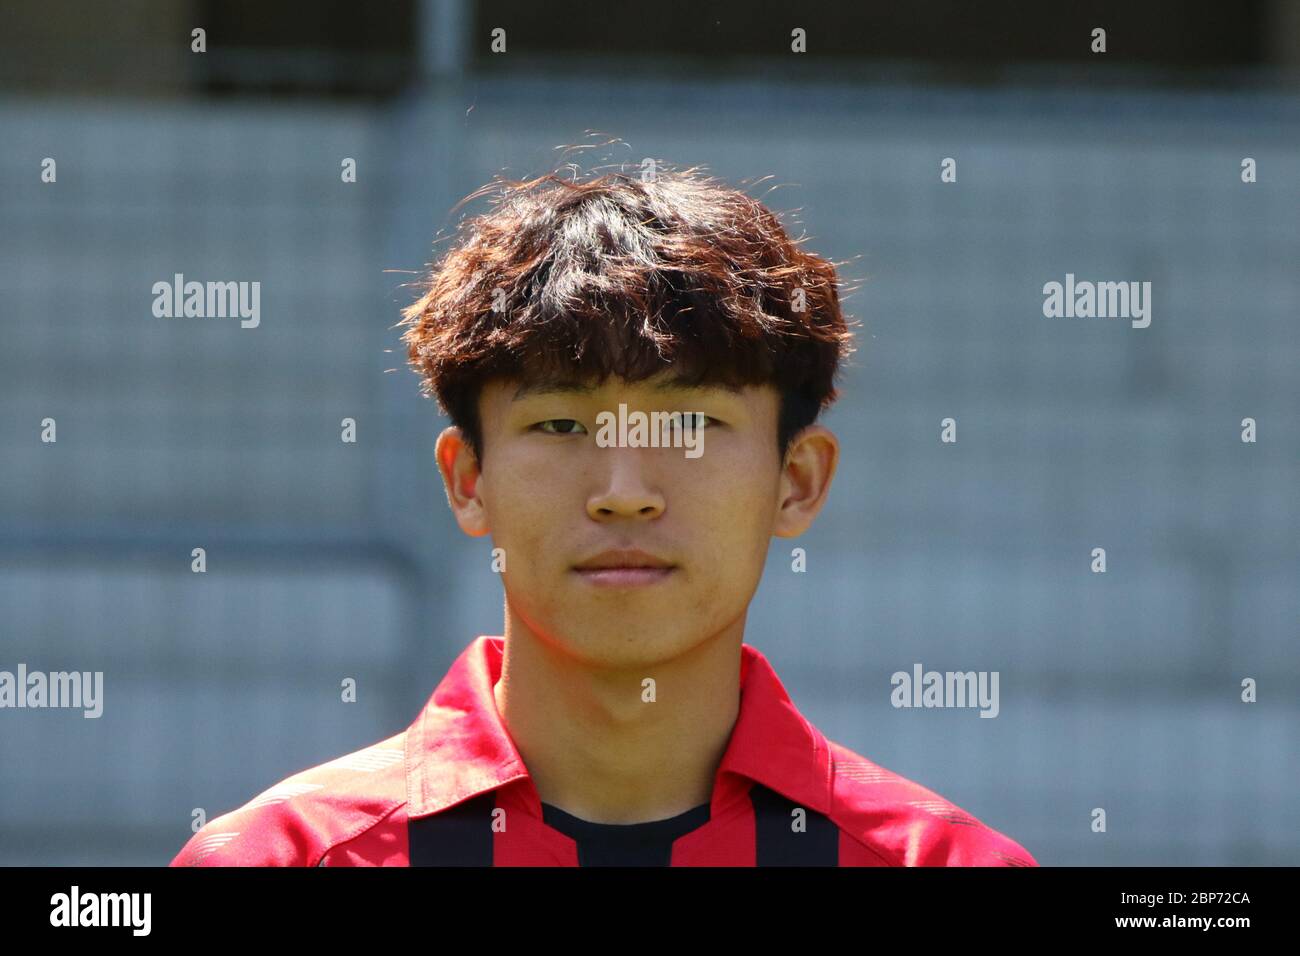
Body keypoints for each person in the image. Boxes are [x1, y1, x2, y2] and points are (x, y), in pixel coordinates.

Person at [171, 161, 1037, 867]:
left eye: (690, 424)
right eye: (560, 423)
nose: (624, 489)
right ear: (468, 479)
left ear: (797, 483)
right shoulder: (278, 859)